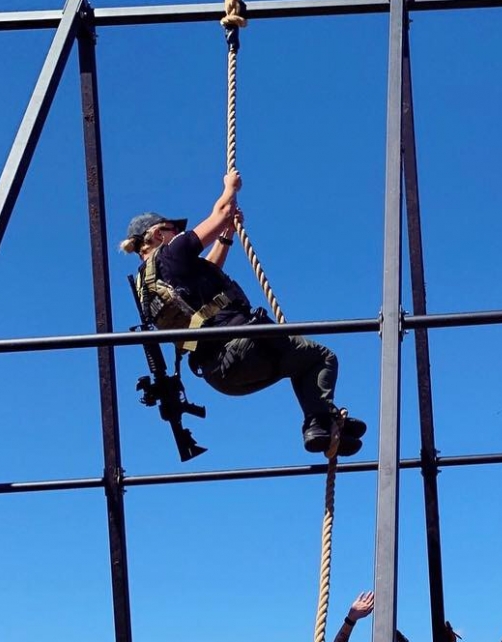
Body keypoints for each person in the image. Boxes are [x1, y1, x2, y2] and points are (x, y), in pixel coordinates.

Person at [121, 170, 365, 456]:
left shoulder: (148, 282)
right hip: (243, 347)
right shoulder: (172, 251)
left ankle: (323, 423)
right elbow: (222, 211)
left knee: (300, 362)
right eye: (173, 229)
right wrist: (229, 187)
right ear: (159, 233)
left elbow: (208, 273)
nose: (179, 233)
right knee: (321, 357)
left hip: (221, 375)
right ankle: (318, 423)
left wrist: (225, 239)